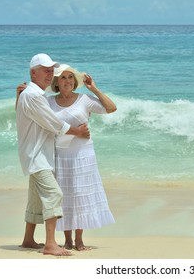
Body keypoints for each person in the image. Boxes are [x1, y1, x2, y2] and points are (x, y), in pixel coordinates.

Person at [15, 53, 91, 256]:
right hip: (37, 154)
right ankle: (50, 244)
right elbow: (53, 122)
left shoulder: (31, 95)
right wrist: (78, 132)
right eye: (45, 70)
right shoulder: (33, 96)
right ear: (33, 73)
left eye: (51, 71)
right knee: (54, 194)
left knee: (35, 198)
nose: (50, 75)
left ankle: (28, 239)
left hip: (37, 153)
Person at [47, 64, 116, 251]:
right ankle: (67, 239)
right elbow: (40, 122)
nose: (67, 81)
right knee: (64, 196)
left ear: (75, 81)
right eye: (63, 77)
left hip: (83, 155)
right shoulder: (49, 102)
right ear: (56, 82)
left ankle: (79, 240)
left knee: (79, 195)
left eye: (70, 77)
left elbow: (111, 108)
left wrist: (93, 88)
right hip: (60, 155)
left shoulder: (84, 99)